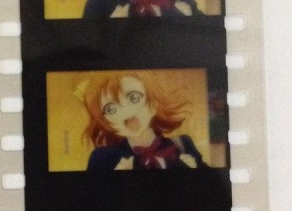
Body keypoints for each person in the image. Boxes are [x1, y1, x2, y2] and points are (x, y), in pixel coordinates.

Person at [77, 70, 206, 170]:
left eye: (134, 98)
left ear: (154, 104)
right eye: (111, 109)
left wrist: (195, 173)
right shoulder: (102, 158)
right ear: (105, 120)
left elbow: (212, 189)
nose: (125, 112)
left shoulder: (183, 145)